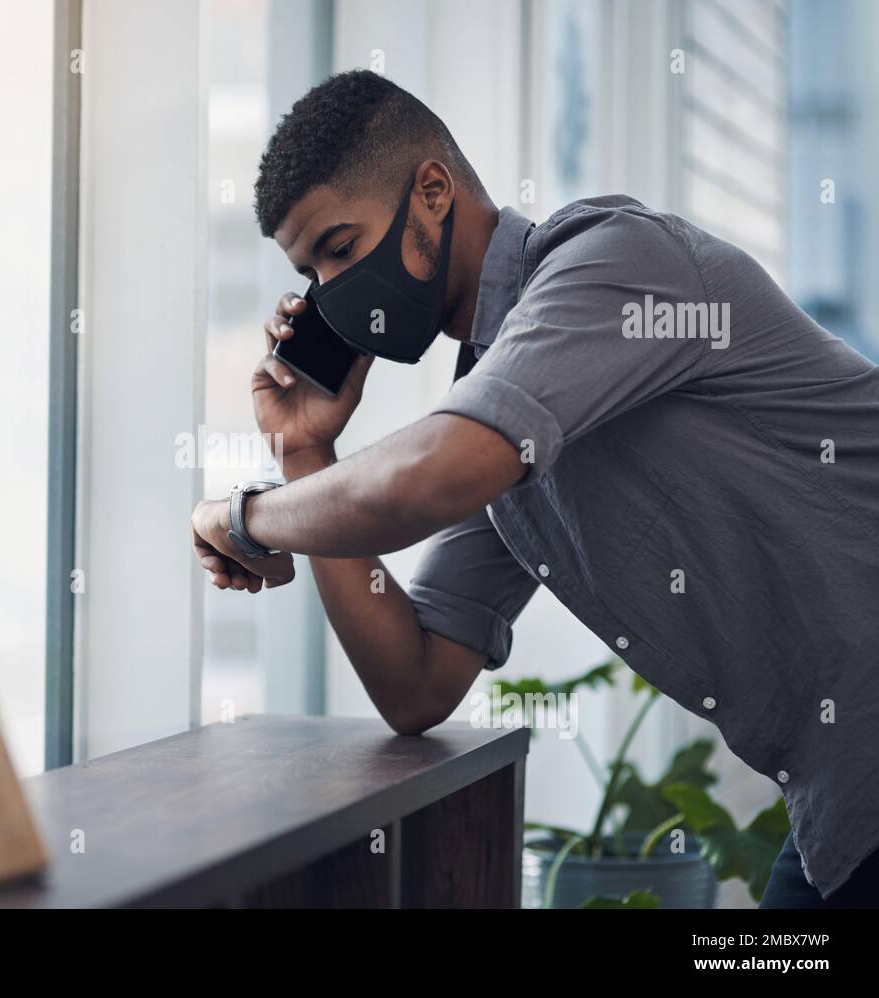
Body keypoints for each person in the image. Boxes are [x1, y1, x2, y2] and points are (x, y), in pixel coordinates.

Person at [188, 69, 879, 908]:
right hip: (843, 800)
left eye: (340, 249)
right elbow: (416, 683)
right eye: (311, 276)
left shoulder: (613, 260)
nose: (330, 296)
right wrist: (305, 451)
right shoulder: (507, 421)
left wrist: (245, 517)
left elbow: (428, 477)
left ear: (432, 191)